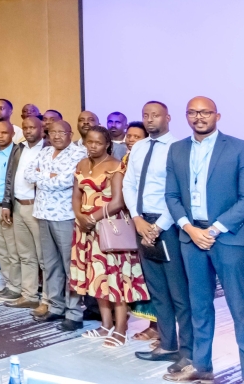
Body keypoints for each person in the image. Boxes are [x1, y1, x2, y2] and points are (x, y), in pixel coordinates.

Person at [163, 97, 244, 383]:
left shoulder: (238, 148)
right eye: (193, 112)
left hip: (227, 239)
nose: (199, 117)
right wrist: (189, 228)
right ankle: (203, 366)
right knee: (199, 306)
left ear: (217, 116)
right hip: (191, 238)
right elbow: (171, 196)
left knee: (239, 308)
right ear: (186, 116)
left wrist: (214, 230)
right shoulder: (176, 149)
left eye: (205, 112)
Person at [124, 102, 192, 368]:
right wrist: (137, 219)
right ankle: (167, 344)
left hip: (168, 225)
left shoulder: (177, 149)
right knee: (157, 290)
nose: (150, 120)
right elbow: (129, 184)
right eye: (145, 116)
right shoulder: (139, 147)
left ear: (168, 118)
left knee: (178, 292)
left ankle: (187, 349)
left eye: (155, 115)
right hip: (141, 223)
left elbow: (176, 191)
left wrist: (158, 226)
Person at [69, 125, 149, 349]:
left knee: (116, 280)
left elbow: (117, 201)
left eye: (98, 143)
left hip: (109, 229)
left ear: (107, 145)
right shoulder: (81, 164)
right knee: (97, 279)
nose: (93, 146)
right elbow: (76, 196)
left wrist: (92, 218)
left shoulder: (115, 166)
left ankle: (121, 328)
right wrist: (80, 216)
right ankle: (105, 325)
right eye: (89, 142)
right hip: (85, 229)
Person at [27, 120, 87, 330]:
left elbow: (67, 181)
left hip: (66, 216)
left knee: (70, 266)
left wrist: (43, 177)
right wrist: (49, 176)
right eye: (53, 132)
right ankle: (55, 306)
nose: (57, 136)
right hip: (43, 214)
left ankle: (74, 313)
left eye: (62, 132)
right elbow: (28, 174)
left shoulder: (79, 154)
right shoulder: (44, 152)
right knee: (51, 265)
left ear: (70, 133)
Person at [4, 115, 47, 310]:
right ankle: (29, 295)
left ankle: (47, 299)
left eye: (32, 127)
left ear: (41, 128)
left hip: (37, 208)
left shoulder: (48, 149)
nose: (29, 131)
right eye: (25, 128)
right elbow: (10, 177)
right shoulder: (18, 148)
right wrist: (7, 204)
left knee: (44, 258)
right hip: (18, 206)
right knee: (25, 254)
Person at [0, 121, 24, 303]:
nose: (0, 136)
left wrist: (6, 205)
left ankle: (16, 287)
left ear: (12, 134)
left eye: (4, 133)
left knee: (12, 250)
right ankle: (10, 284)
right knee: (0, 249)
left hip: (7, 208)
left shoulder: (17, 153)